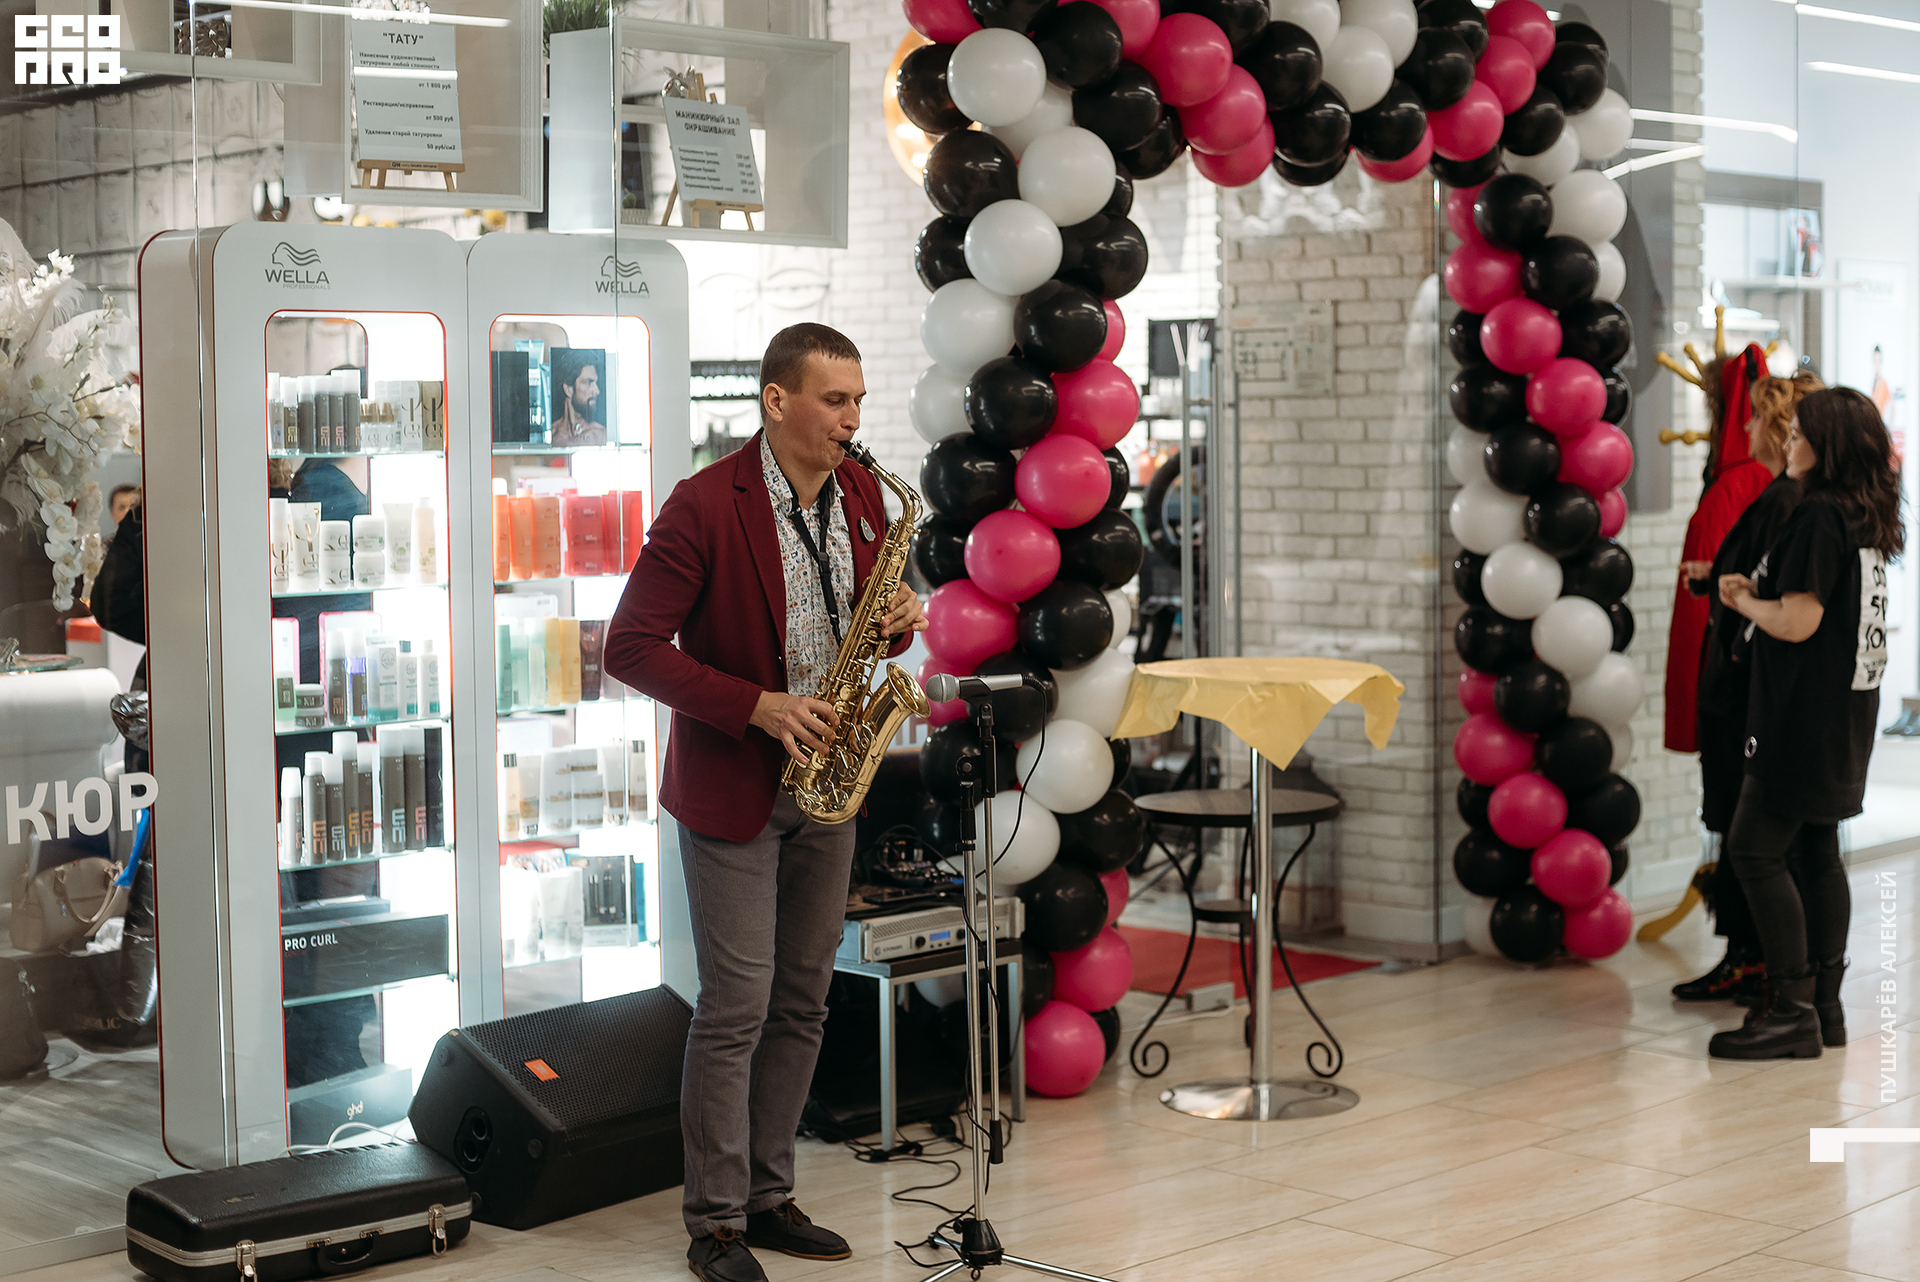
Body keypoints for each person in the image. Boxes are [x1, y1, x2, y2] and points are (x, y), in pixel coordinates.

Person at [602, 324, 926, 1282]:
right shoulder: (705, 503)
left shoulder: (863, 495)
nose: (852, 420)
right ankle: (715, 1224)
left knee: (803, 1002)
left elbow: (865, 630)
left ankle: (769, 1196)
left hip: (832, 780)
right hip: (736, 782)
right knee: (736, 1008)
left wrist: (900, 619)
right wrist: (758, 706)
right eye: (835, 400)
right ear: (776, 402)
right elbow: (630, 647)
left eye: (858, 400)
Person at [1709, 387, 1904, 1060]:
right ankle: (1824, 1008)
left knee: (1754, 850)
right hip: (1846, 710)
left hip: (1800, 712)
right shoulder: (1870, 513)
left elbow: (1797, 622)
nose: (1788, 444)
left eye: (1798, 435)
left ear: (1829, 447)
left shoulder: (1819, 514)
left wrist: (1743, 601)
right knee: (1817, 851)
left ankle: (1790, 1009)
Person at [1672, 372, 1821, 1005]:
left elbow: (1780, 600)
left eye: (1757, 418)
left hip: (1745, 692)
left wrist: (1734, 610)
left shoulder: (1783, 499)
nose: (1747, 427)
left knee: (1751, 836)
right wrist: (1720, 580)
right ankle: (1757, 962)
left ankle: (1759, 964)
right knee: (1748, 833)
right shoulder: (1775, 496)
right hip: (1740, 686)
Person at [549, 349, 607, 447]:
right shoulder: (551, 435)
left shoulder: (600, 435)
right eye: (588, 382)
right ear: (568, 389)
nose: (597, 391)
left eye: (595, 383)